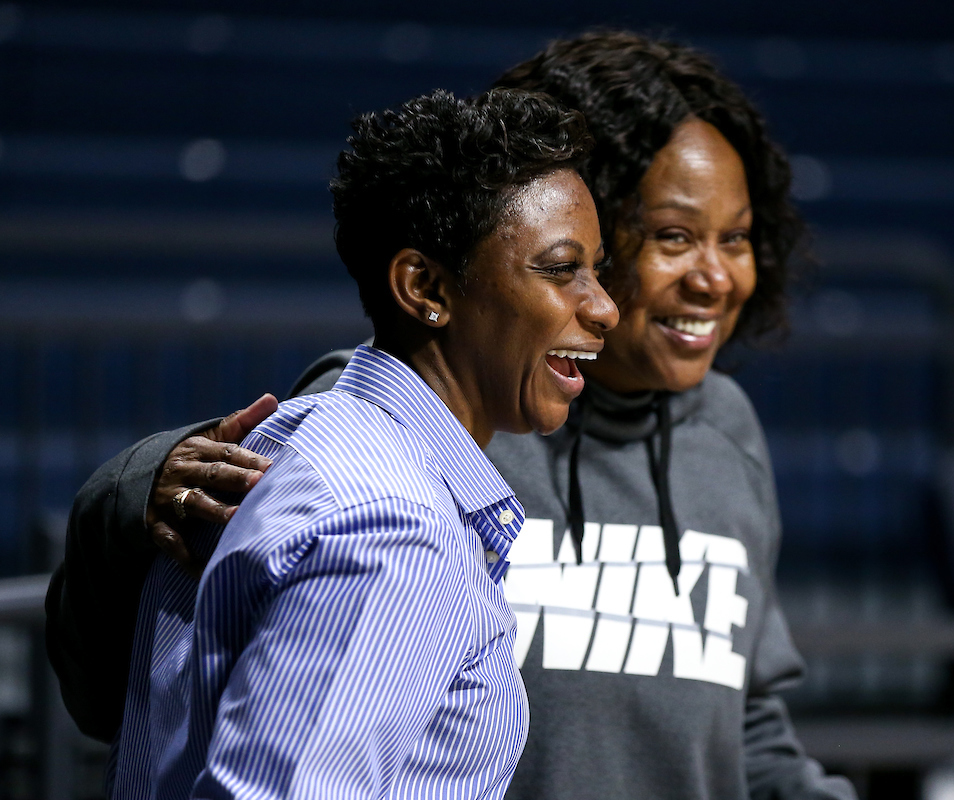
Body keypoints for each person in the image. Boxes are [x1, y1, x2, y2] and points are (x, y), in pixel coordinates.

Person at [48, 32, 856, 800]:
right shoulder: (410, 452)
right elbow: (158, 670)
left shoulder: (728, 436)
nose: (714, 276)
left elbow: (744, 724)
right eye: (673, 237)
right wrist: (136, 484)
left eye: (739, 239)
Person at [100, 87, 618, 798]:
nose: (604, 307)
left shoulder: (306, 435)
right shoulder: (392, 522)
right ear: (424, 286)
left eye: (598, 270)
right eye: (562, 270)